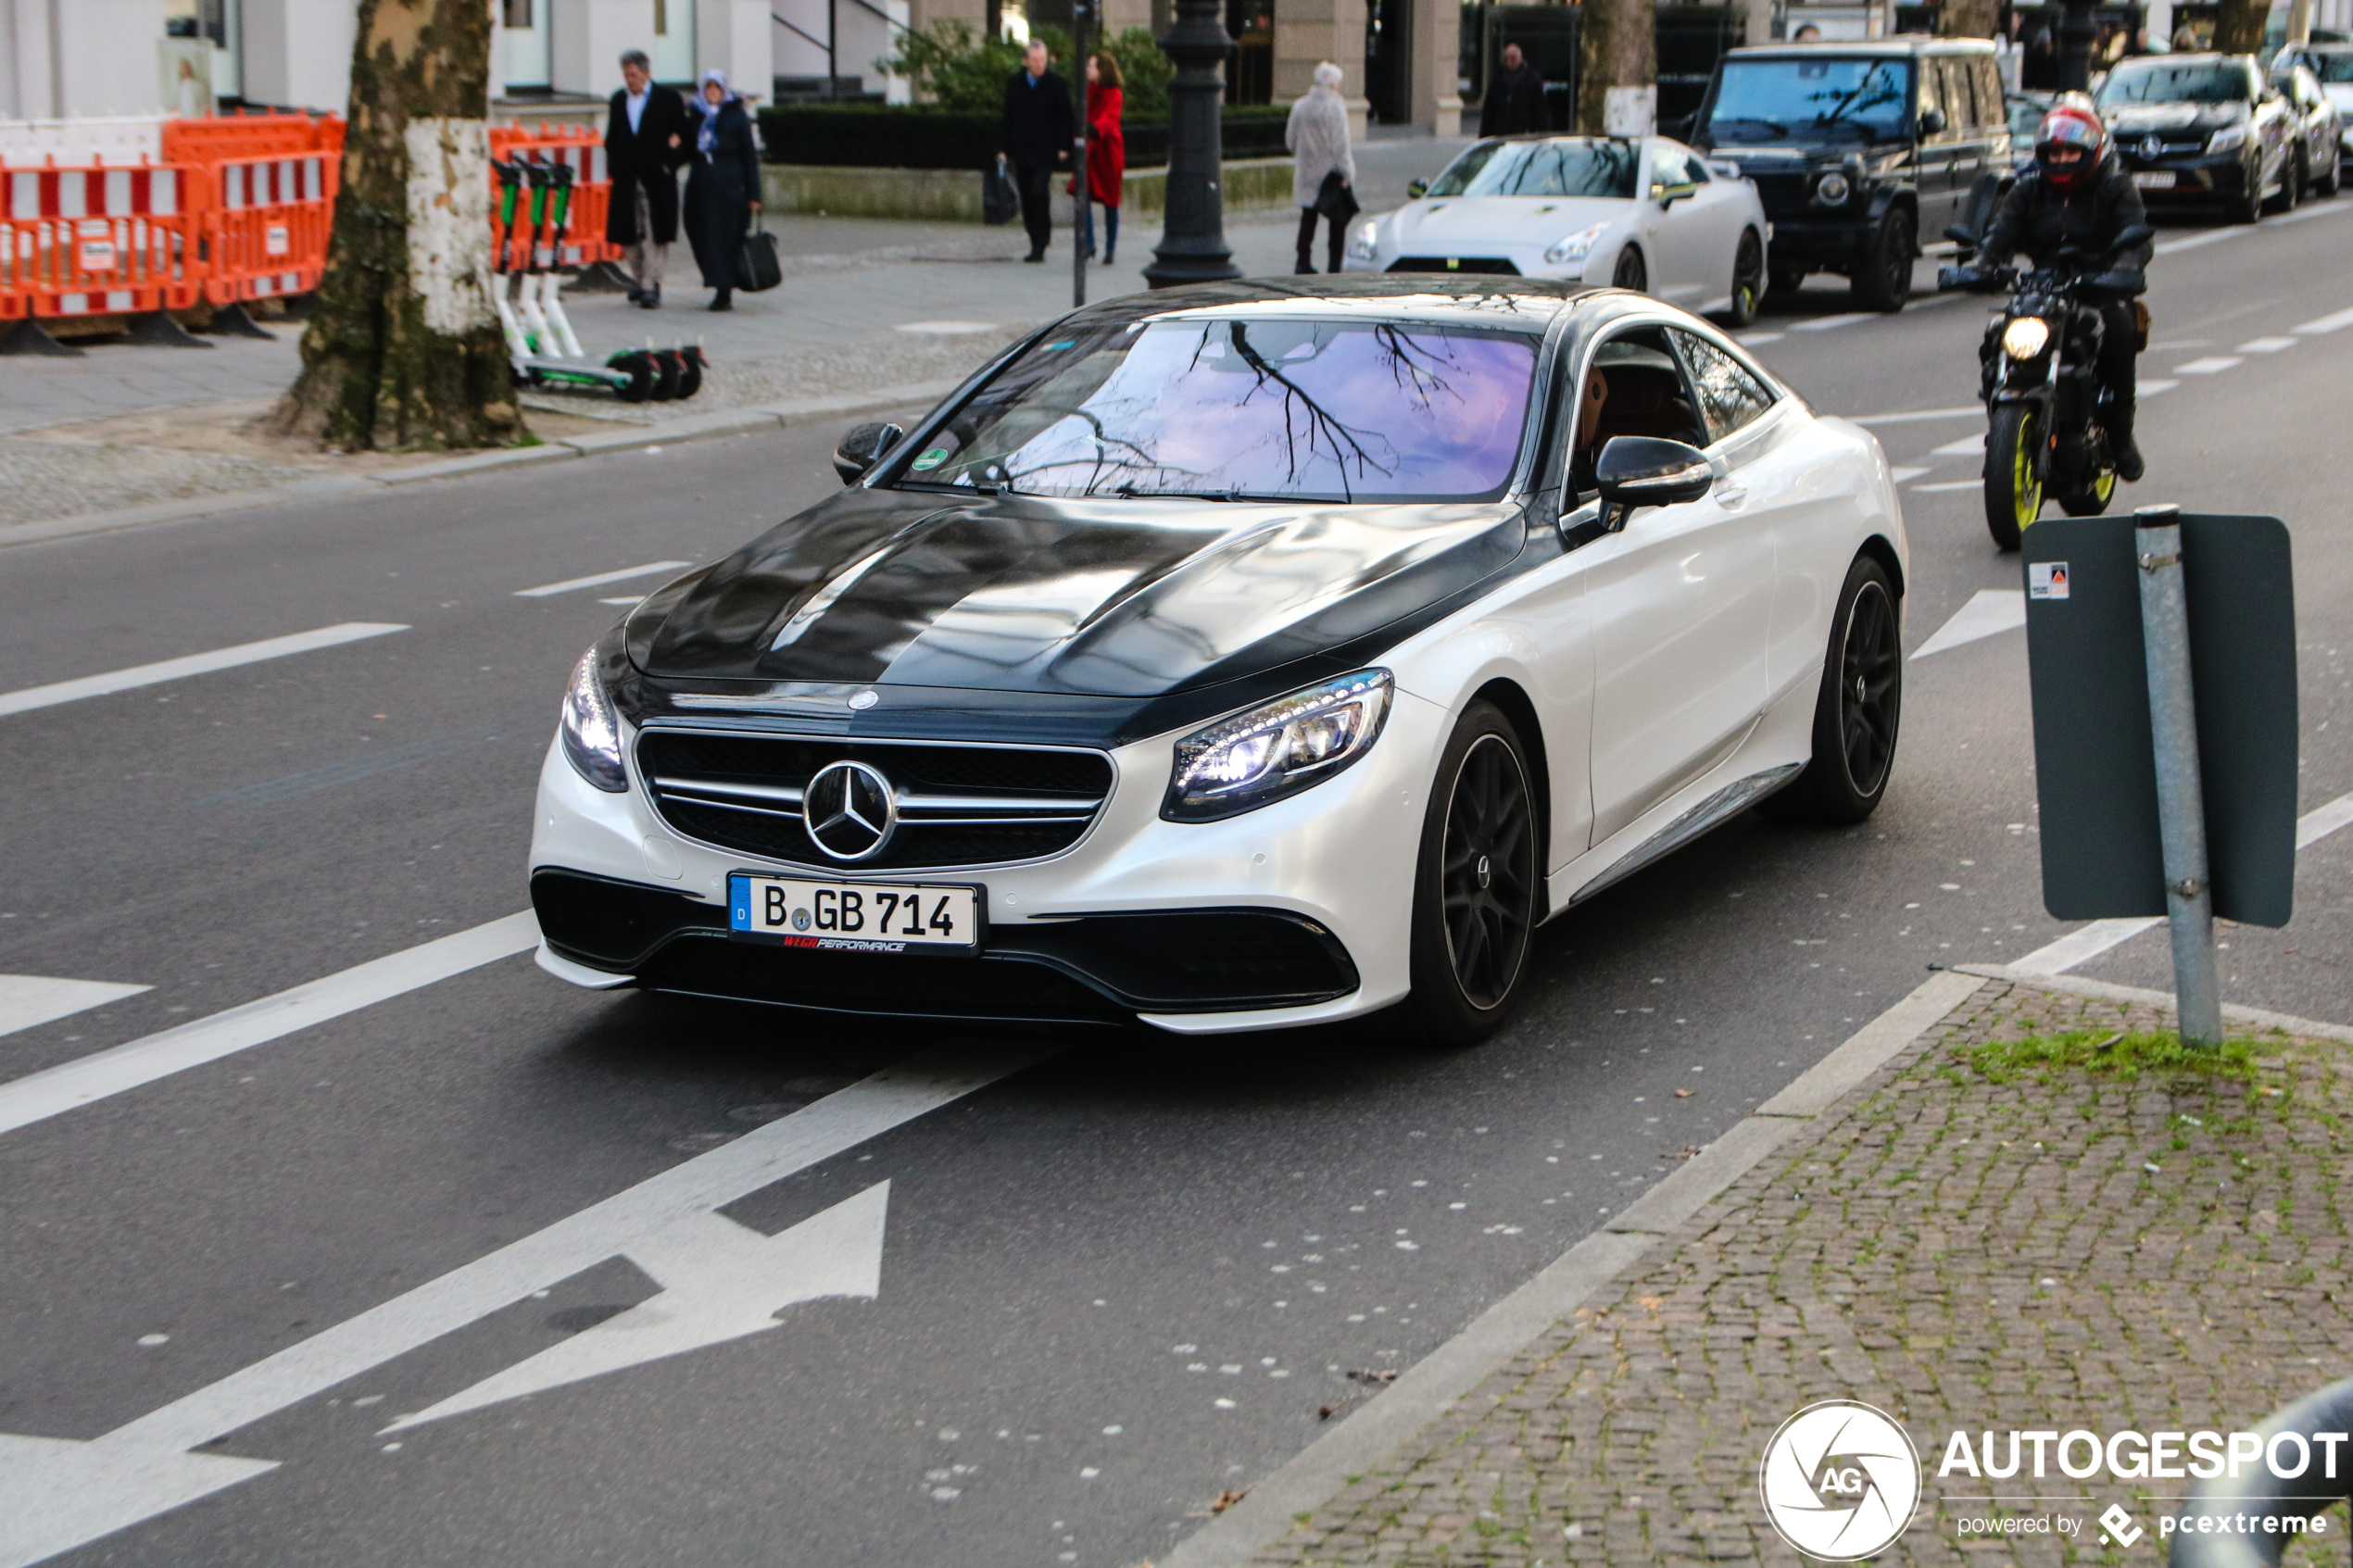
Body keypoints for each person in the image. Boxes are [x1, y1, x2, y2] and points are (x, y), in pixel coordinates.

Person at [1971, 102, 2152, 481]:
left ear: (2091, 151)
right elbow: (2001, 233)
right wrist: (1982, 264)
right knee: (1995, 338)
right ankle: (2004, 419)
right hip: (2043, 284)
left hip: (2098, 283)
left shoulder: (2115, 185)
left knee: (2118, 329)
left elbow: (2136, 238)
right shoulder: (2028, 189)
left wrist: (2123, 269)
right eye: (2055, 152)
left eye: (2071, 151)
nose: (2063, 159)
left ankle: (2121, 435)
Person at [604, 49, 690, 309]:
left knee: (655, 234)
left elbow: (685, 136)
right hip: (627, 178)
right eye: (626, 75)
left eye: (634, 74)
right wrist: (616, 169)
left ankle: (652, 285)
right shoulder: (619, 100)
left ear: (647, 73)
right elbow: (613, 139)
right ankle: (639, 279)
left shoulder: (668, 98)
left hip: (657, 179)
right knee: (629, 235)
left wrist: (669, 165)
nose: (630, 80)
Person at [683, 69, 762, 311]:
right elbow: (688, 148)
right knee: (701, 233)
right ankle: (714, 277)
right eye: (708, 88)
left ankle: (724, 289)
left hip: (730, 187)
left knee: (726, 238)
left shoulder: (736, 115)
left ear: (723, 90)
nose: (712, 93)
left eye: (716, 88)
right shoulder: (695, 115)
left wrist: (754, 194)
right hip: (701, 187)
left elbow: (749, 156)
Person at [1000, 40, 1076, 264]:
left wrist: (1064, 147)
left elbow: (1066, 118)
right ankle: (1034, 240)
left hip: (1046, 149)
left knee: (1038, 191)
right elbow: (1008, 118)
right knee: (1026, 196)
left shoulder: (1057, 84)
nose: (1039, 65)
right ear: (1026, 62)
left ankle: (1043, 238)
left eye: (1042, 60)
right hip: (1022, 149)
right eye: (1034, 61)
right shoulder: (1015, 84)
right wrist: (1004, 148)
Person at [1285, 61, 1356, 274]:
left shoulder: (1300, 106)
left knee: (1308, 217)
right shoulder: (1336, 108)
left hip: (1306, 172)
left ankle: (1303, 261)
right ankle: (1334, 265)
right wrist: (1348, 173)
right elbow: (1341, 145)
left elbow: (1290, 141)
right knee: (1338, 219)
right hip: (1330, 175)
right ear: (1334, 84)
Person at [1073, 52, 1126, 265]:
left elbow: (1109, 118)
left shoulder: (1114, 93)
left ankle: (1110, 246)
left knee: (1111, 202)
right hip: (1092, 151)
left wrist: (1093, 128)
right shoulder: (1090, 90)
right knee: (1083, 194)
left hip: (1109, 152)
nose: (1088, 69)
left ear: (1102, 70)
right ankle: (1089, 243)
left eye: (1092, 66)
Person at [1479, 43, 1547, 136]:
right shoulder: (1497, 80)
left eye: (1513, 58)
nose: (1510, 62)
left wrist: (1539, 133)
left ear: (1520, 58)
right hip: (1500, 133)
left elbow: (1540, 110)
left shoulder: (1532, 80)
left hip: (1524, 133)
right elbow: (1489, 111)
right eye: (1507, 58)